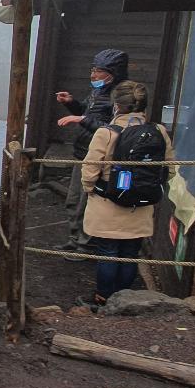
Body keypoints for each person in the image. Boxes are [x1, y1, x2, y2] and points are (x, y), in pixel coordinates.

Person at [79, 80, 172, 307]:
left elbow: (91, 167)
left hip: (108, 200)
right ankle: (125, 299)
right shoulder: (158, 131)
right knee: (131, 252)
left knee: (108, 251)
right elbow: (169, 167)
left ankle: (103, 298)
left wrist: (89, 188)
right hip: (141, 204)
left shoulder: (106, 133)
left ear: (117, 106)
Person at [56, 48, 130, 251]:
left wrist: (81, 119)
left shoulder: (120, 97)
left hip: (99, 158)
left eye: (98, 71)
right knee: (73, 200)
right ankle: (75, 238)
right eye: (93, 70)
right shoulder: (98, 91)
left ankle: (86, 244)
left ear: (112, 73)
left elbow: (114, 130)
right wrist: (72, 104)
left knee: (87, 202)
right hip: (82, 152)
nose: (93, 75)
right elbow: (87, 113)